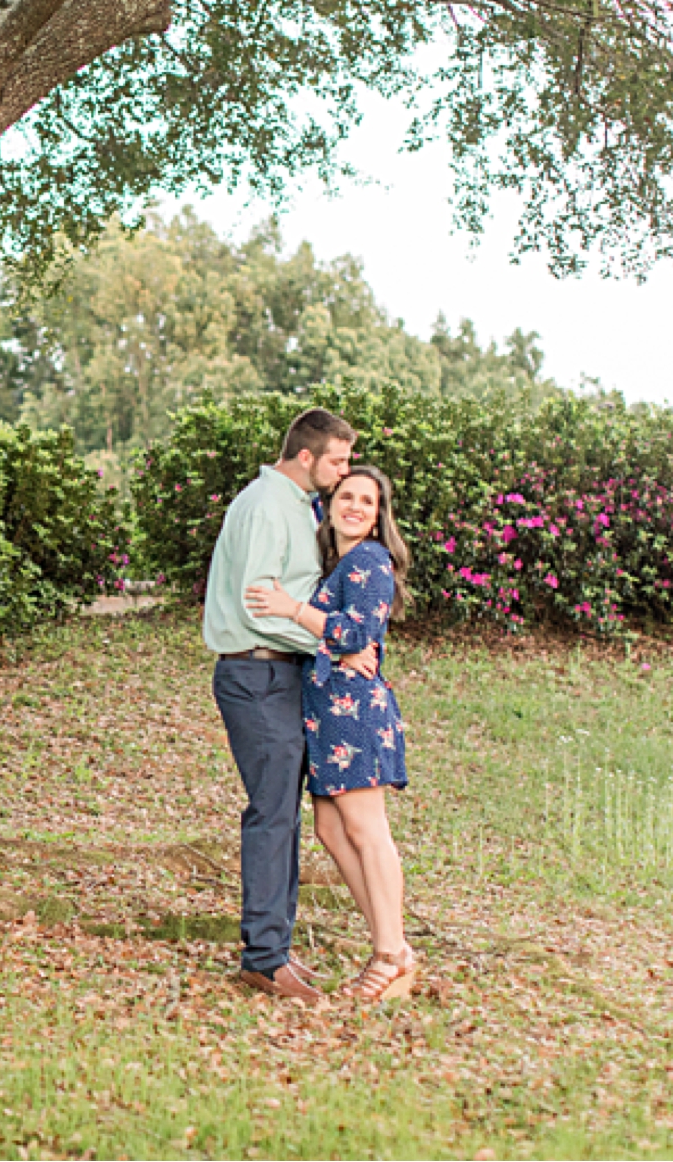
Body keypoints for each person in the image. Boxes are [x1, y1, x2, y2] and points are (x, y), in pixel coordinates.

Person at [202, 408, 375, 1002]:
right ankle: (263, 959)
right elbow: (258, 604)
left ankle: (276, 950)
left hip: (282, 673)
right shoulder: (265, 506)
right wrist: (337, 645)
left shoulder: (295, 507)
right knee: (272, 815)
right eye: (339, 460)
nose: (345, 470)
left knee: (286, 816)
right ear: (307, 456)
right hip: (257, 675)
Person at [245, 464, 417, 1002]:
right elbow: (343, 635)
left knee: (367, 830)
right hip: (327, 716)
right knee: (331, 829)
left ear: (378, 516)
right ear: (330, 504)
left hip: (355, 715)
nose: (356, 507)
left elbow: (359, 630)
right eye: (347, 496)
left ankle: (390, 955)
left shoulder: (370, 559)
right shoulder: (336, 563)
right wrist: (333, 638)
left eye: (368, 501)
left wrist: (294, 611)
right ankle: (396, 946)